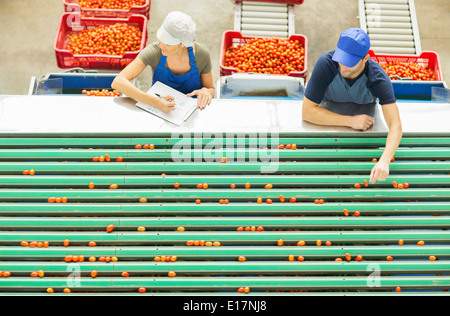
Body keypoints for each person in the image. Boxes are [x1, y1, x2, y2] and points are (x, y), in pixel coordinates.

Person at [302, 28, 402, 184]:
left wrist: (384, 160)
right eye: (341, 59)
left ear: (366, 58)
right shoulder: (327, 65)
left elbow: (395, 125)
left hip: (365, 130)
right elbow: (307, 112)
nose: (343, 66)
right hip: (326, 120)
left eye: (350, 62)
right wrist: (350, 121)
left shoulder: (378, 78)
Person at [112, 11, 215, 113]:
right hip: (158, 110)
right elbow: (118, 82)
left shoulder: (201, 55)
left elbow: (211, 89)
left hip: (193, 111)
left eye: (168, 44)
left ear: (183, 44)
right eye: (161, 39)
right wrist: (155, 102)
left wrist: (206, 91)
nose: (161, 45)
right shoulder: (155, 51)